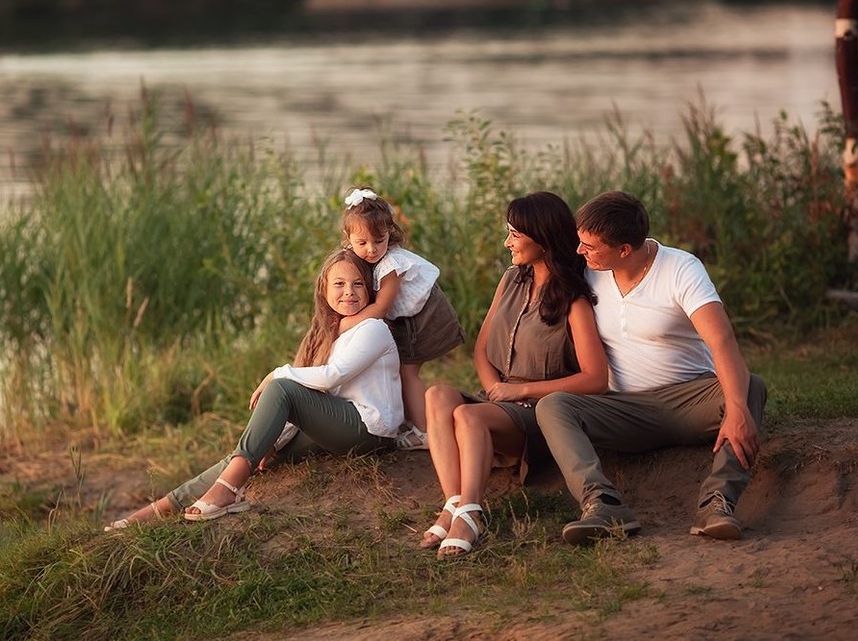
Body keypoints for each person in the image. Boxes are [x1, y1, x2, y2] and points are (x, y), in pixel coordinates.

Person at [103, 248, 403, 530]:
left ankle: (229, 490)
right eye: (339, 283)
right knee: (251, 451)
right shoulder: (332, 338)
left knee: (283, 389)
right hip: (342, 427)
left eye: (358, 284)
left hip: (371, 429)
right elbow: (321, 400)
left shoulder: (373, 328)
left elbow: (331, 377)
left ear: (370, 290)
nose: (349, 291)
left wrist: (277, 373)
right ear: (323, 290)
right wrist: (271, 439)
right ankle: (155, 511)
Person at [536, 190, 767, 545]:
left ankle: (716, 504)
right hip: (622, 408)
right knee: (554, 405)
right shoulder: (590, 269)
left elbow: (722, 340)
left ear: (624, 249)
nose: (580, 251)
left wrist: (736, 409)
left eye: (590, 246)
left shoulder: (680, 269)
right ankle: (602, 503)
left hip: (689, 401)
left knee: (749, 388)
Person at [420, 192, 609, 556]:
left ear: (542, 237)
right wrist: (495, 387)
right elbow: (482, 348)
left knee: (466, 413)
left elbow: (595, 378)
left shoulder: (574, 300)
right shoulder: (511, 280)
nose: (507, 242)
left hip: (539, 413)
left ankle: (472, 514)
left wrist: (519, 392)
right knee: (437, 394)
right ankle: (454, 503)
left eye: (514, 235)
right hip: (498, 400)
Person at [339, 187, 465, 452]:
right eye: (362, 243)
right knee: (399, 369)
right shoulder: (363, 258)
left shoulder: (391, 265)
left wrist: (346, 324)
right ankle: (412, 420)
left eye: (379, 240)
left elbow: (382, 307)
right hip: (410, 318)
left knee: (408, 372)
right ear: (348, 238)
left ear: (390, 234)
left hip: (425, 319)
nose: (372, 250)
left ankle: (425, 432)